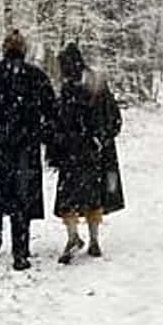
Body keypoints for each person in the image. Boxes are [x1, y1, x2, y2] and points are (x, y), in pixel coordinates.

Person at [0, 28, 55, 270]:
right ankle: (21, 248)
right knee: (21, 198)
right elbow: (50, 111)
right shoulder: (35, 76)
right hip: (24, 149)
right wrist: (38, 135)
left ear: (4, 48)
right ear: (24, 49)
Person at [48, 42, 124, 264]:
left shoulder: (68, 87)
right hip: (93, 152)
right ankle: (93, 239)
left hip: (73, 152)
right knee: (94, 197)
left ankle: (73, 237)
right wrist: (102, 138)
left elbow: (60, 120)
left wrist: (58, 143)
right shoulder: (96, 83)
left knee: (68, 198)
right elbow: (113, 118)